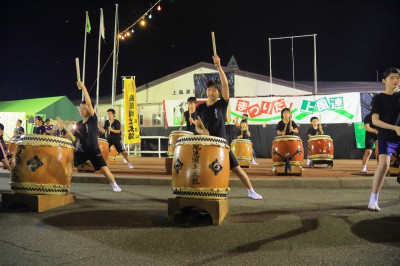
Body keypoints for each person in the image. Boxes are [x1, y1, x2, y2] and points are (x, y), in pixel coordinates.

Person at [194, 55, 262, 200]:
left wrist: (218, 66)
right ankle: (204, 192)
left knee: (237, 169)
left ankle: (250, 190)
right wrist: (202, 131)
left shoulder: (221, 105)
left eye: (214, 90)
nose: (212, 92)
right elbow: (197, 127)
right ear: (206, 91)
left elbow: (225, 85)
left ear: (218, 93)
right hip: (208, 145)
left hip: (222, 145)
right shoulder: (200, 109)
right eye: (209, 90)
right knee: (204, 170)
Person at [74, 81, 122, 192]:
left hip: (94, 150)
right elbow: (74, 138)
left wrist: (83, 87)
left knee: (105, 170)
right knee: (67, 162)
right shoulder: (79, 123)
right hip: (82, 151)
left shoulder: (92, 119)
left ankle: (114, 184)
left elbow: (89, 103)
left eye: (84, 108)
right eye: (80, 108)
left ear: (89, 110)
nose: (81, 110)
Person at [368, 67, 400, 211]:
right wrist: (394, 128)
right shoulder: (378, 98)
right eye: (392, 78)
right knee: (384, 165)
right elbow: (375, 121)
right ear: (384, 81)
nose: (395, 80)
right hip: (387, 137)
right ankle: (373, 199)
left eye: (398, 78)